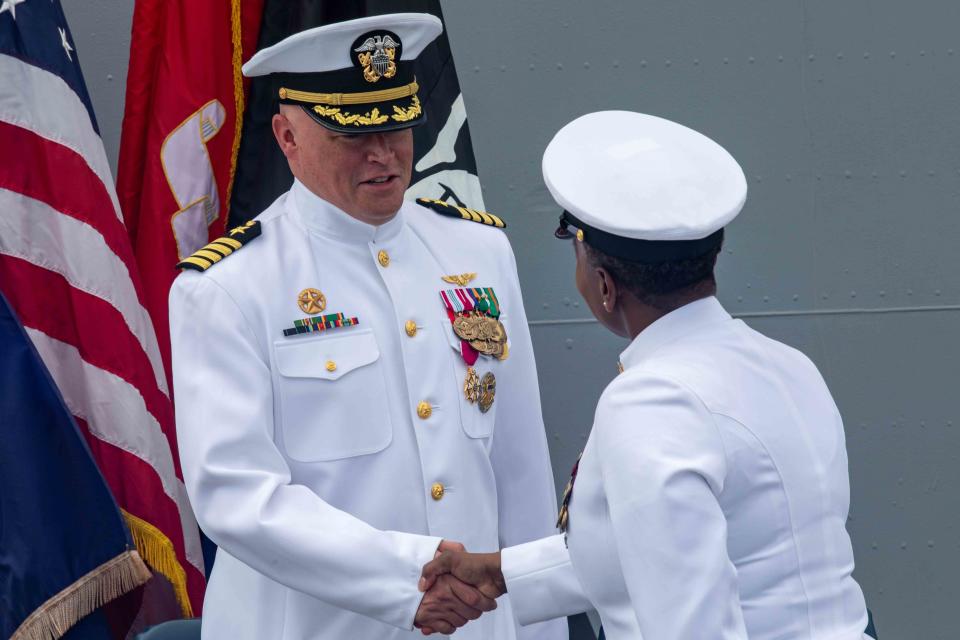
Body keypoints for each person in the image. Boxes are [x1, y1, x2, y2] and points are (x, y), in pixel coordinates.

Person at [168, 13, 566, 640]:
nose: (383, 154)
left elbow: (518, 465)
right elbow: (237, 495)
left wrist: (541, 621)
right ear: (287, 135)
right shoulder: (228, 287)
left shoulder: (477, 253)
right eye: (352, 134)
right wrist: (404, 579)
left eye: (397, 126)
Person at [419, 111, 877, 640]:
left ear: (605, 285)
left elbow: (690, 624)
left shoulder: (651, 403)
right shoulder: (788, 366)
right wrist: (500, 572)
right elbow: (674, 544)